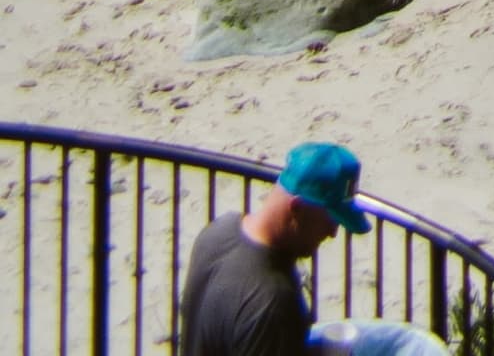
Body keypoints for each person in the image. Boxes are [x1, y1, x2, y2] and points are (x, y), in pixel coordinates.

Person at [177, 147, 428, 356]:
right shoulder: (271, 302)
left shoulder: (217, 232)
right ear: (296, 209)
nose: (332, 233)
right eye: (330, 220)